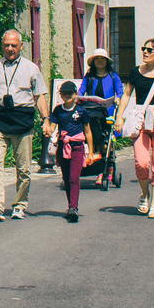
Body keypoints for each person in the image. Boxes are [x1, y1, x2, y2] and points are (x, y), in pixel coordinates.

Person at [0, 29, 49, 221]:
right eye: (6, 45)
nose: (10, 48)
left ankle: (19, 204)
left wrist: (46, 119)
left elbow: (39, 96)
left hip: (22, 123)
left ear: (21, 46)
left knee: (23, 169)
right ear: (2, 45)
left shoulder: (31, 68)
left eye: (14, 45)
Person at [113, 38, 154, 218]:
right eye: (144, 49)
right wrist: (119, 116)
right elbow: (126, 94)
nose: (145, 52)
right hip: (141, 119)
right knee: (142, 163)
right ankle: (144, 195)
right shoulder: (135, 72)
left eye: (150, 50)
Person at [47, 80, 101, 222]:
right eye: (64, 94)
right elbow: (53, 126)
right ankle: (70, 205)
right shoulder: (58, 110)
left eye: (70, 93)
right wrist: (48, 131)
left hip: (77, 147)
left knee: (74, 178)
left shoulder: (81, 111)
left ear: (76, 94)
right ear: (61, 95)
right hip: (63, 147)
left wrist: (90, 151)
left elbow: (88, 131)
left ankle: (73, 207)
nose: (67, 96)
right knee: (66, 178)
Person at [80, 48, 123, 118]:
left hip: (110, 112)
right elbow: (81, 90)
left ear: (106, 61)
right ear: (93, 61)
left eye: (102, 58)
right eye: (97, 58)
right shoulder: (88, 77)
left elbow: (120, 91)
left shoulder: (114, 76)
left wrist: (118, 98)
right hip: (91, 111)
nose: (100, 61)